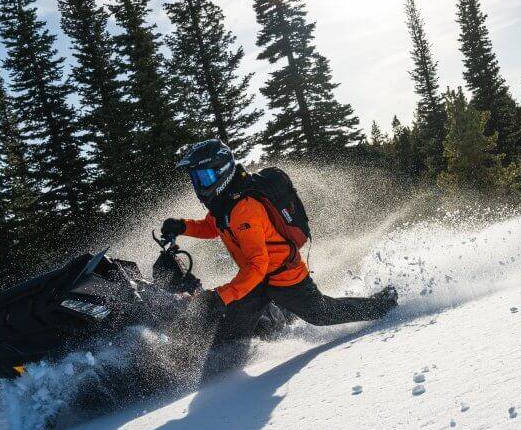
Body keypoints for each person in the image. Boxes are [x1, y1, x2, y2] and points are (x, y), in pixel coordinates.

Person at [162, 140, 397, 374]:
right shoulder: (225, 204)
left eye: (204, 177)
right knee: (233, 326)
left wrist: (221, 296)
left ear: (222, 171)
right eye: (196, 179)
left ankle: (382, 305)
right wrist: (183, 226)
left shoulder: (244, 208)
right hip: (256, 281)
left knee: (321, 313)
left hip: (284, 277)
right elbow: (215, 227)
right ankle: (222, 376)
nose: (199, 185)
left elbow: (257, 265)